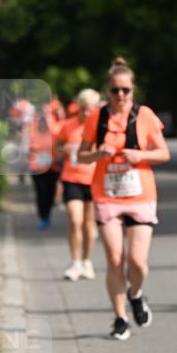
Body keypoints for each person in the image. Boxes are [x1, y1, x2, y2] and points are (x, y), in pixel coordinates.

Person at [78, 57, 170, 340]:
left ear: (133, 90)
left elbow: (163, 153)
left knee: (137, 262)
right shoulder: (97, 117)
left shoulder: (144, 115)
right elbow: (81, 155)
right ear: (107, 90)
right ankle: (120, 318)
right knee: (115, 259)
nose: (120, 95)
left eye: (125, 90)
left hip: (140, 196)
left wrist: (140, 155)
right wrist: (97, 154)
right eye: (115, 90)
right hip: (107, 196)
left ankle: (136, 293)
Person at [55, 88, 101, 281]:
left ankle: (86, 261)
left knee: (89, 222)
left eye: (92, 109)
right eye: (85, 109)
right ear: (79, 108)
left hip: (93, 179)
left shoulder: (100, 128)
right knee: (75, 220)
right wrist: (63, 149)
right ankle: (75, 262)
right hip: (72, 178)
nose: (88, 113)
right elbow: (56, 149)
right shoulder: (68, 126)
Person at [28, 105, 60, 228]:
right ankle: (42, 217)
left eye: (45, 122)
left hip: (52, 168)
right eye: (41, 122)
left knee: (51, 194)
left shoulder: (53, 135)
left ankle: (47, 214)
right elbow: (29, 151)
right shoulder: (33, 135)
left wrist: (55, 159)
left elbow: (58, 149)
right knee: (41, 193)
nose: (43, 124)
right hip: (37, 169)